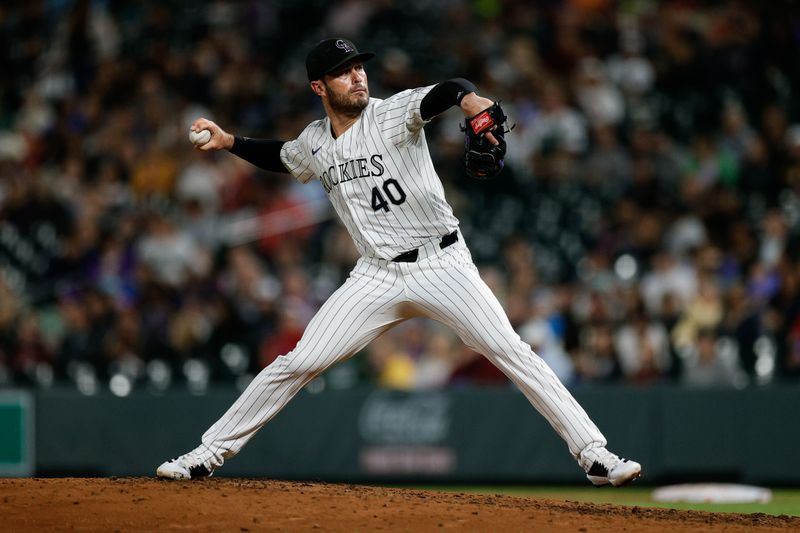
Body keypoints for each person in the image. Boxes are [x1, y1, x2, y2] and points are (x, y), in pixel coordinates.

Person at [156, 38, 641, 487]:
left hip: (441, 262)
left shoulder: (393, 114)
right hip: (376, 274)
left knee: (512, 351)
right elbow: (283, 157)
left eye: (359, 68)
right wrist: (229, 142)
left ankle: (595, 455)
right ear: (318, 86)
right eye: (344, 72)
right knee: (298, 361)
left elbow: (448, 90)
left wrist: (469, 98)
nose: (358, 77)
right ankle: (207, 454)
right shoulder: (315, 142)